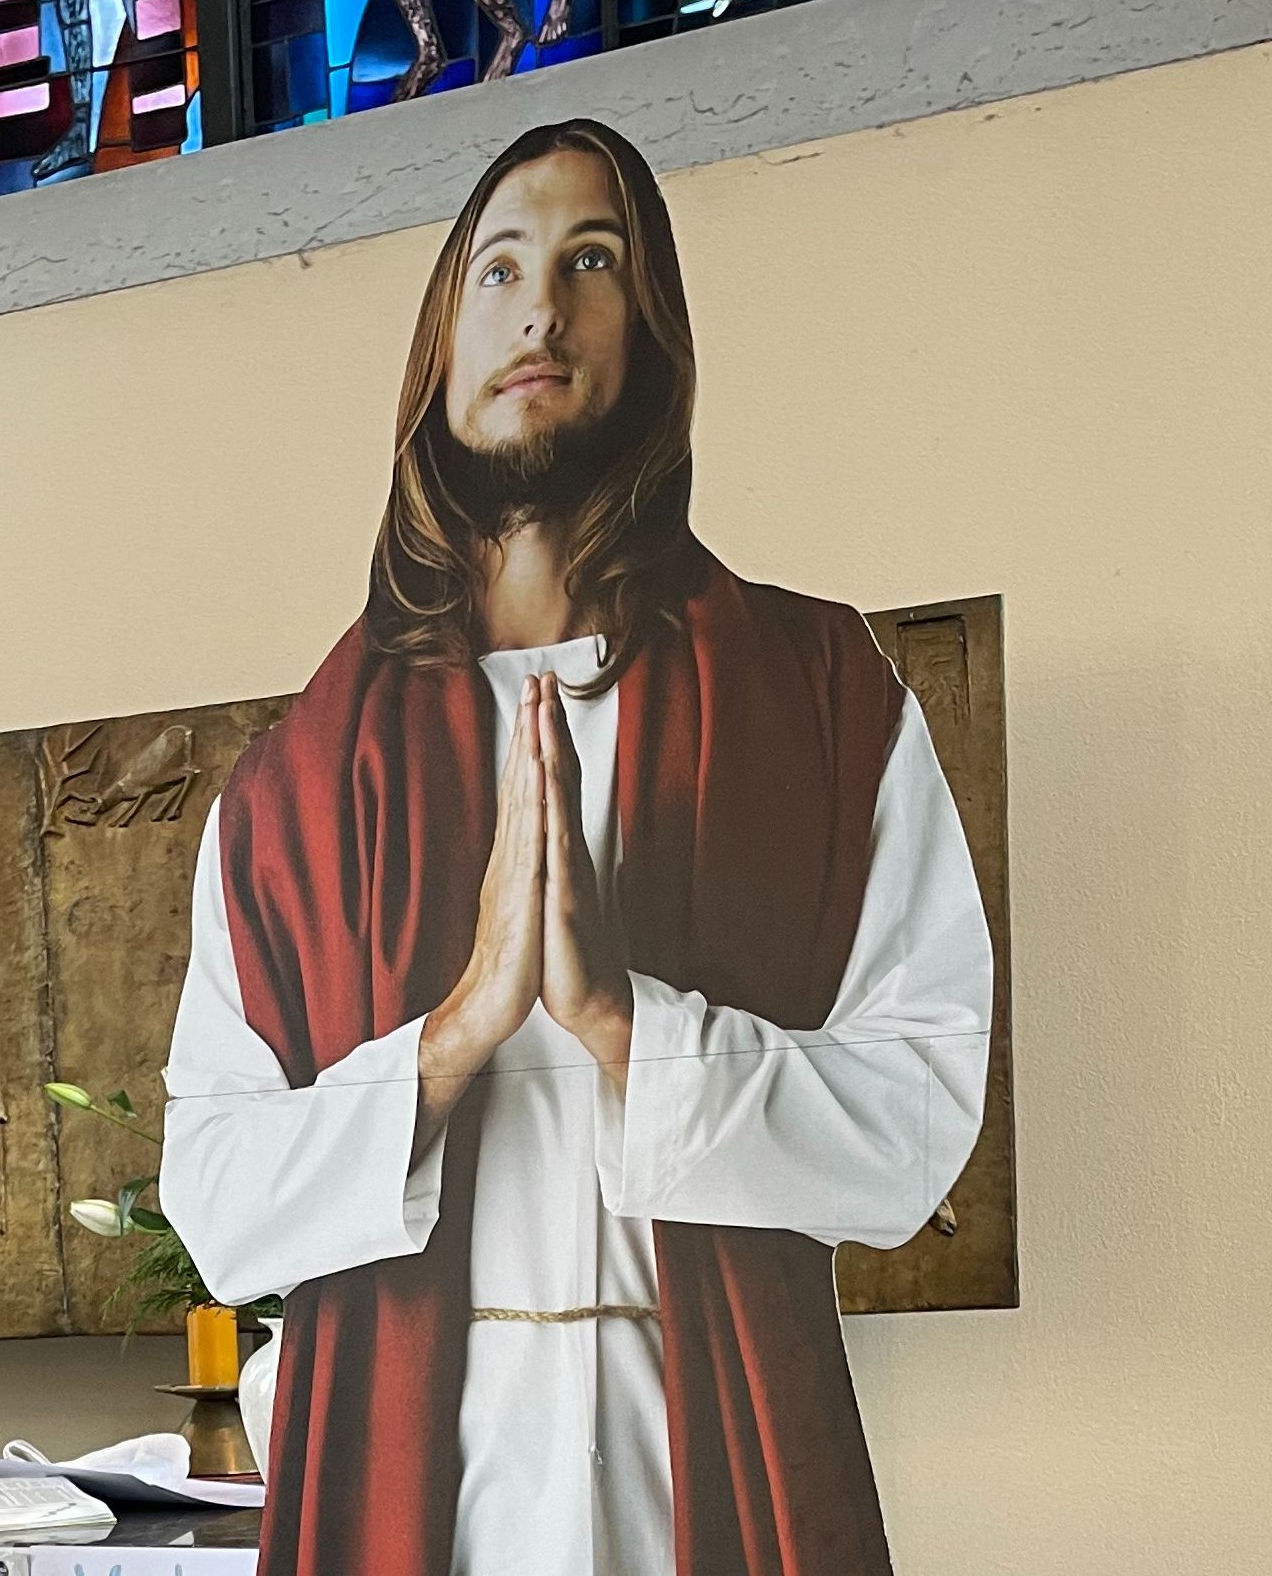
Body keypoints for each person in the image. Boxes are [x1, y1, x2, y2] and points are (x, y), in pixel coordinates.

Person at [157, 119, 994, 1576]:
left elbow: (918, 1117)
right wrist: (453, 1035)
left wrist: (627, 1030)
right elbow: (221, 1200)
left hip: (704, 1457)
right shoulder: (296, 785)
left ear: (651, 330)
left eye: (589, 260)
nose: (540, 307)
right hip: (428, 1483)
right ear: (440, 347)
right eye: (500, 268)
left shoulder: (818, 698)